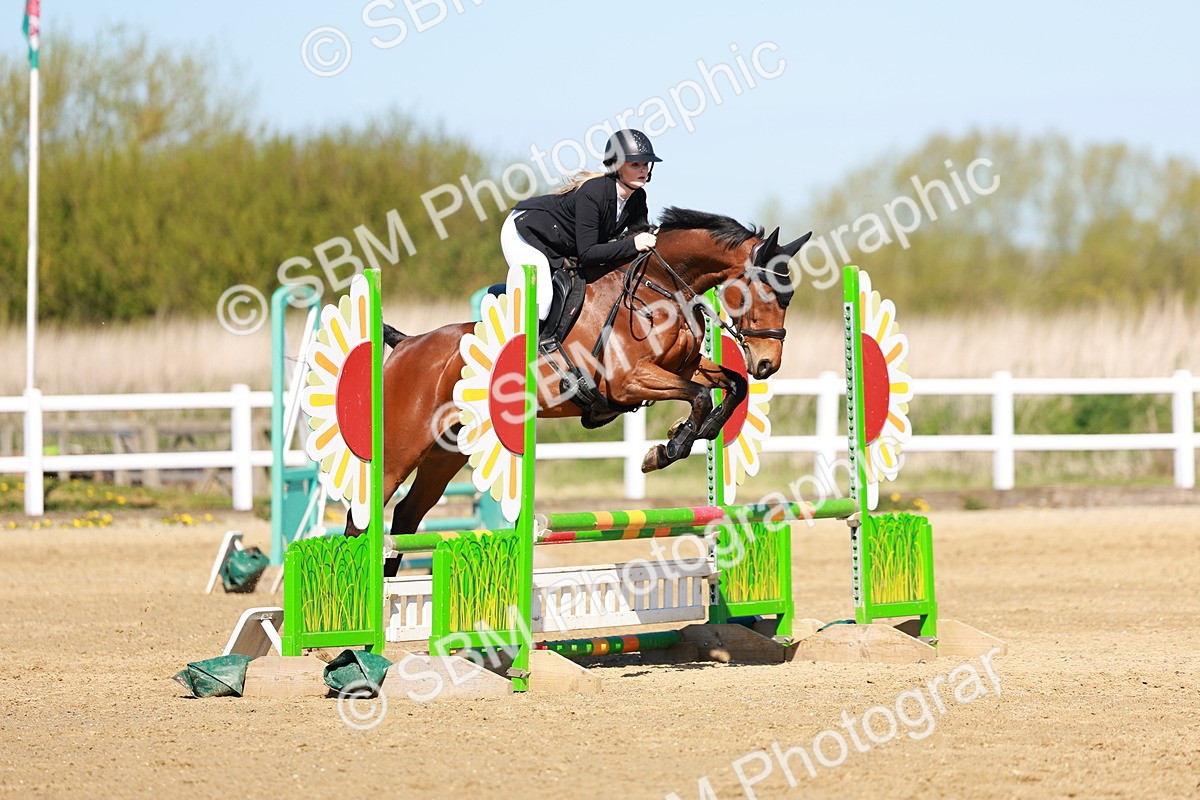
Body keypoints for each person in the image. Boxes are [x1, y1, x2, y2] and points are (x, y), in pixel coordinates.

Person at [500, 128, 662, 319]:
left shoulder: (638, 197)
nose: (643, 170)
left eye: (645, 164)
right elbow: (588, 253)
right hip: (525, 232)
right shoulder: (593, 193)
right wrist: (634, 243)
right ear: (617, 167)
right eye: (635, 164)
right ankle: (531, 347)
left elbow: (638, 234)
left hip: (559, 242)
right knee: (543, 300)